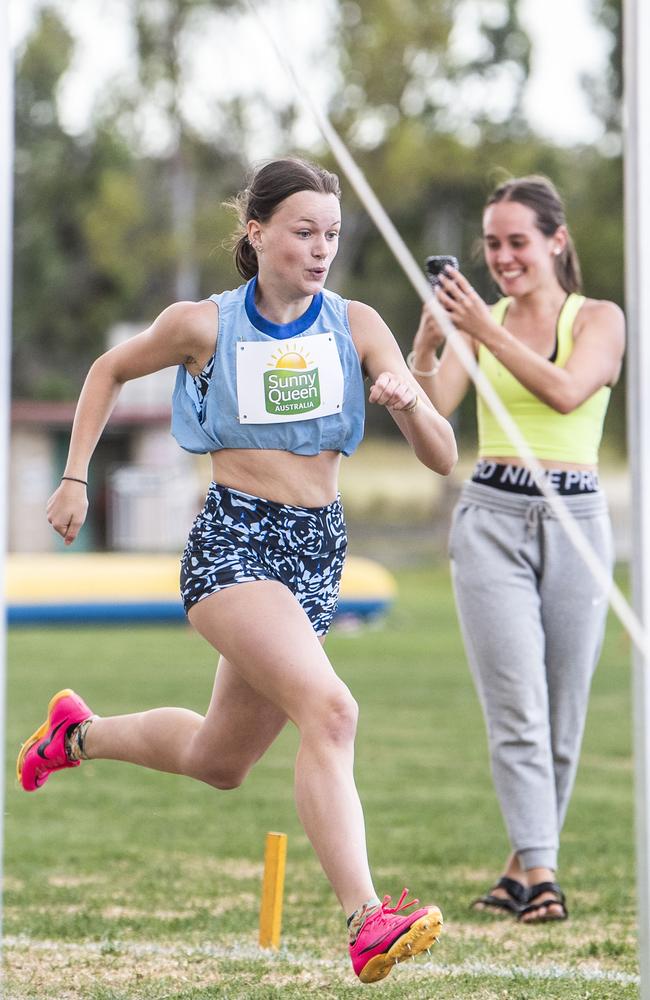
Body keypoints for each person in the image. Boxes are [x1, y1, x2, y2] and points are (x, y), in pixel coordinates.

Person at [17, 157, 457, 982]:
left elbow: (443, 456)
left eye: (331, 233)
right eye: (302, 232)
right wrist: (73, 474)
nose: (320, 248)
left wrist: (410, 401)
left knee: (221, 761)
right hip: (234, 544)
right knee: (331, 710)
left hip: (319, 550)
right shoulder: (203, 325)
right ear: (255, 234)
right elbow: (107, 371)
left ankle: (74, 734)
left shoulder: (357, 325)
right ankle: (367, 919)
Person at [409, 175, 625, 924]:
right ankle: (543, 874)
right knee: (518, 712)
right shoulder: (479, 322)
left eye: (517, 242)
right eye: (492, 244)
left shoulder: (599, 318)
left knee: (563, 716)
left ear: (555, 242)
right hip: (493, 518)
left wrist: (483, 329)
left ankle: (515, 868)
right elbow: (433, 414)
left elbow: (568, 392)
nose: (502, 258)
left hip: (577, 521)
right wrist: (430, 344)